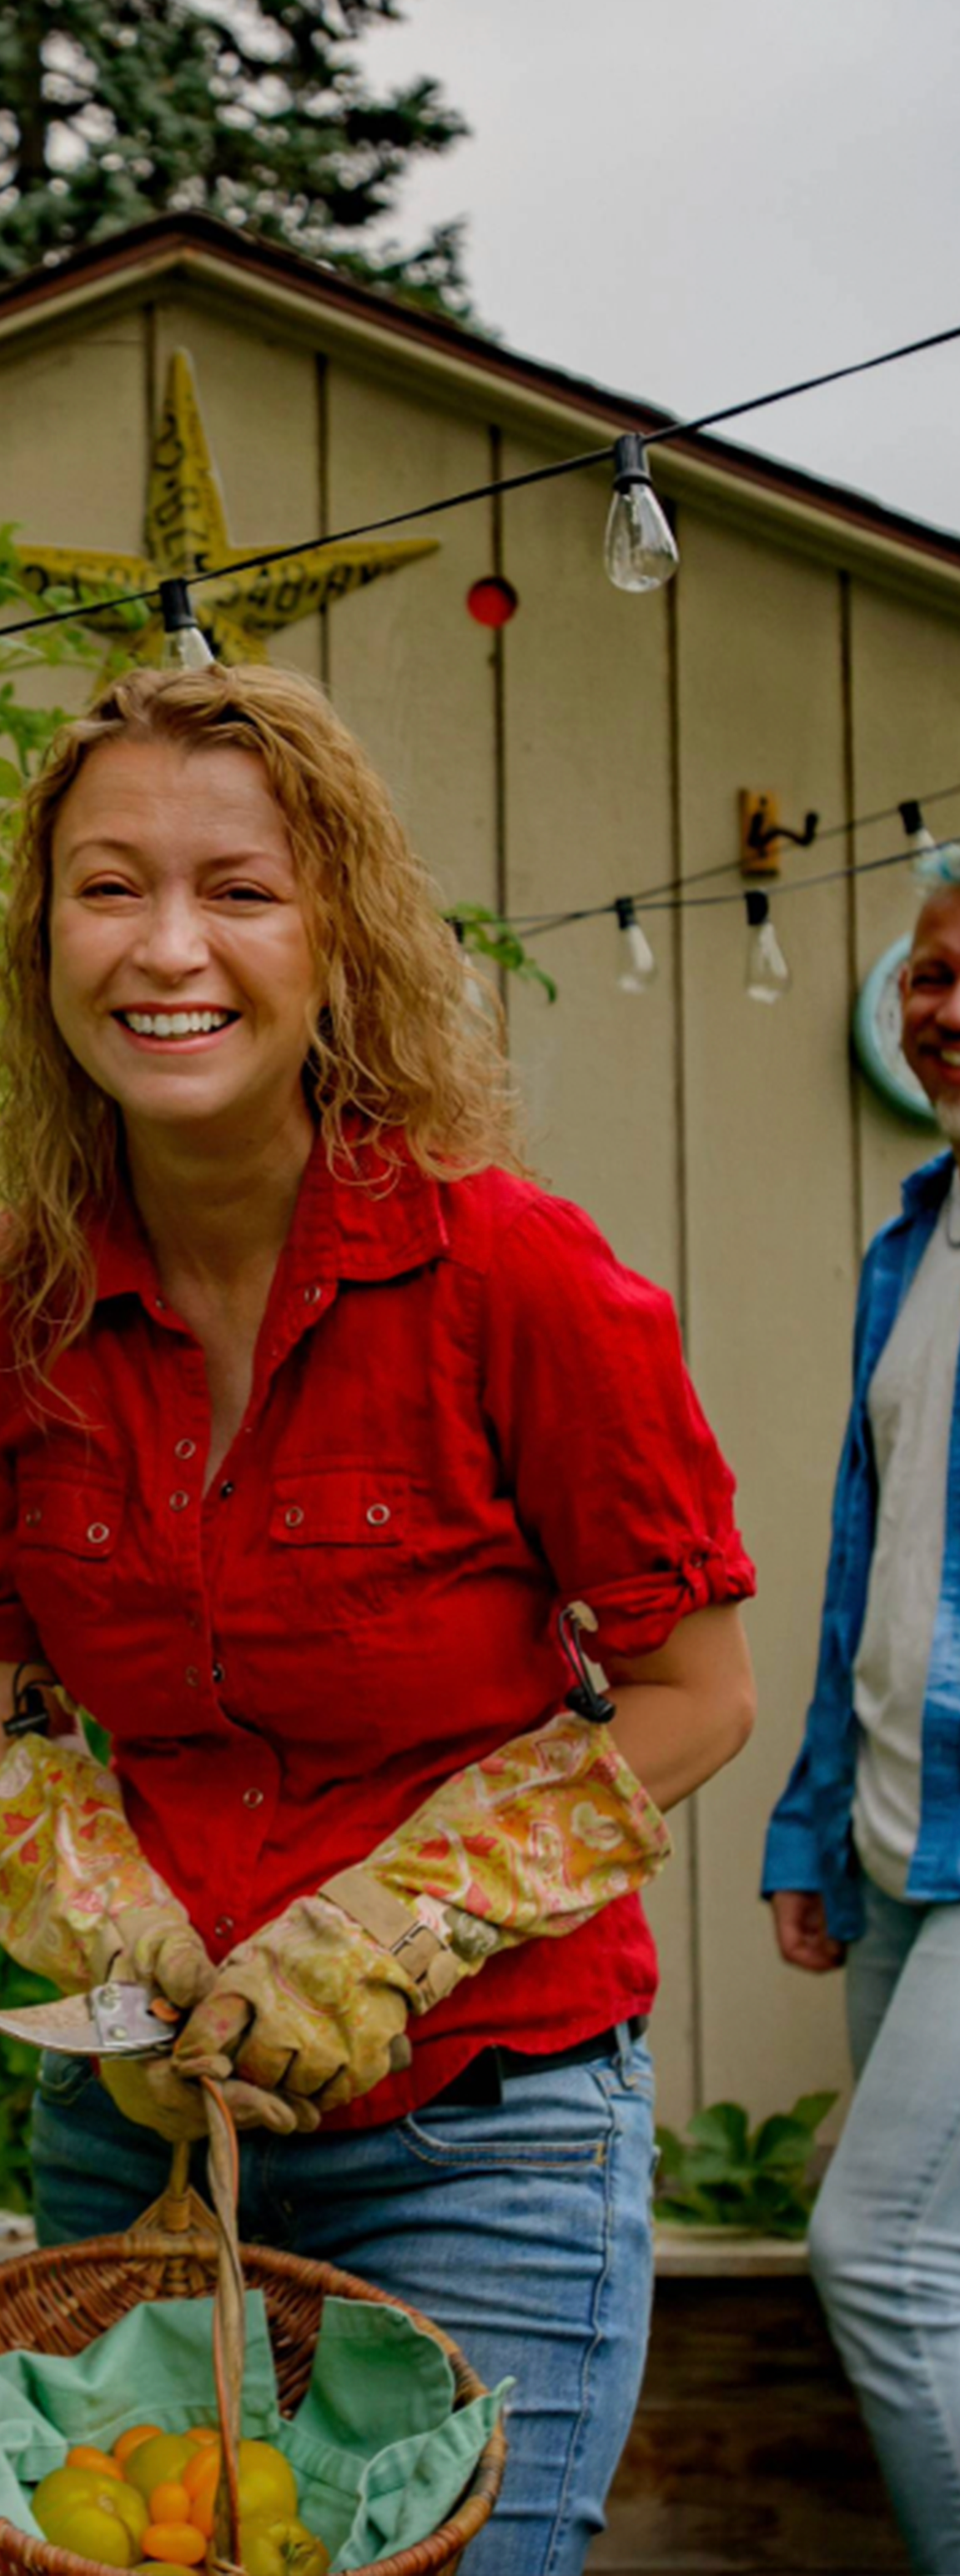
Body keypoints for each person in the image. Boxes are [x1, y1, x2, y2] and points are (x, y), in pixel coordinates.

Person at [0, 662, 758, 2576]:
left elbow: (699, 1691)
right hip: (134, 2120)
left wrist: (388, 1925)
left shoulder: (516, 1281)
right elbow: (8, 1699)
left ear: (340, 939)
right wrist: (98, 1923)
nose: (166, 947)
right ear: (43, 936)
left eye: (240, 891)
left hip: (483, 2130)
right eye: (109, 887)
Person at [763, 880, 960, 2575]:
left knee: (882, 2252)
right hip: (905, 1836)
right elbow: (867, 1567)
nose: (941, 1006)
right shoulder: (920, 1234)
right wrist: (814, 1820)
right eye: (931, 974)